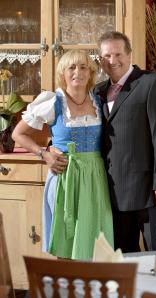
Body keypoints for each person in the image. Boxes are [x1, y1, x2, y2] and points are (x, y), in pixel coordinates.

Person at [12, 49, 114, 259]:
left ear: (91, 72)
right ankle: (67, 289)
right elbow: (18, 134)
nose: (78, 72)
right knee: (66, 241)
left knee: (95, 240)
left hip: (95, 177)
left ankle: (91, 290)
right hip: (65, 176)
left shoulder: (99, 101)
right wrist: (44, 153)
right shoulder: (53, 101)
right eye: (72, 67)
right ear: (63, 73)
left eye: (83, 67)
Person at [95, 31, 156, 252]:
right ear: (100, 59)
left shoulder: (152, 83)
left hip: (149, 192)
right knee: (125, 259)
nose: (112, 61)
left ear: (130, 54)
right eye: (106, 56)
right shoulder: (98, 91)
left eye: (118, 54)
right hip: (113, 194)